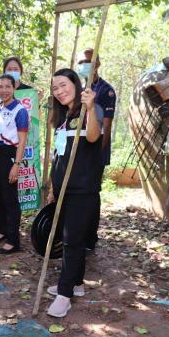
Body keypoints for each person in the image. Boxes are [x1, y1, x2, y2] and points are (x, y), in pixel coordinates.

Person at [46, 68, 102, 318]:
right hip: (63, 190)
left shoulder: (89, 109)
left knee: (72, 242)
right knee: (71, 238)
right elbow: (58, 155)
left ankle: (64, 294)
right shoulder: (63, 117)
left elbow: (93, 137)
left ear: (76, 84)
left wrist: (90, 108)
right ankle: (76, 283)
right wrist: (51, 186)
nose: (59, 91)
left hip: (82, 190)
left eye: (63, 85)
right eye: (55, 88)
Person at [77, 48, 116, 251]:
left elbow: (105, 126)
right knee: (78, 194)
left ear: (98, 64)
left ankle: (90, 238)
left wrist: (96, 155)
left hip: (95, 152)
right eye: (82, 61)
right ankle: (77, 234)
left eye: (89, 61)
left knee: (92, 193)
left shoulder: (105, 90)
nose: (84, 65)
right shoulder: (77, 89)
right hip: (78, 152)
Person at [0, 74, 29, 254]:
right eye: (0, 86)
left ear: (14, 88)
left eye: (7, 87)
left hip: (10, 155)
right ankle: (3, 231)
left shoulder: (20, 110)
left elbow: (22, 140)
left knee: (10, 198)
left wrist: (16, 165)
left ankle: (13, 240)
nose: (3, 90)